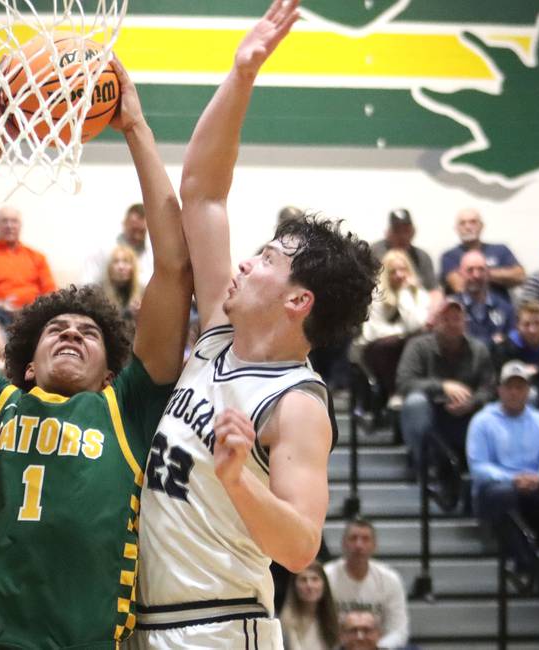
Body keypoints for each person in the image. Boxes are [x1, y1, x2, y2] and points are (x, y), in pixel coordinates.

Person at [132, 3, 380, 647]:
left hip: (218, 626)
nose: (244, 263)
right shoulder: (221, 326)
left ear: (298, 301)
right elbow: (204, 192)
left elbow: (300, 545)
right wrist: (242, 74)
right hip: (149, 622)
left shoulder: (296, 404)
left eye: (266, 260)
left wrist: (239, 479)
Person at [0, 56, 191, 648]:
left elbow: (175, 269)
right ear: (24, 364)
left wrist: (138, 130)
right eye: (56, 330)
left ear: (109, 372)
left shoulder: (126, 410)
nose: (71, 333)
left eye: (89, 332)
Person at [466, 361, 539, 574]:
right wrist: (513, 478)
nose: (514, 393)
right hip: (496, 489)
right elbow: (479, 467)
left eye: (520, 387)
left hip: (535, 484)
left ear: (528, 391)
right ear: (499, 390)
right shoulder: (482, 421)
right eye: (509, 387)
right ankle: (523, 563)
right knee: (504, 494)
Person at [397, 299, 495, 483]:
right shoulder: (418, 346)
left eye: (456, 319)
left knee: (493, 411)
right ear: (434, 323)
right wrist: (443, 386)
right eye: (445, 319)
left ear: (464, 323)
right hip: (431, 413)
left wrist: (472, 402)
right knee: (414, 402)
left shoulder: (479, 350)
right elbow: (404, 383)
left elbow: (489, 388)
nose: (451, 324)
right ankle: (422, 464)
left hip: (468, 415)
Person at [352, 249, 430, 401]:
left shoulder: (418, 294)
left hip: (406, 343)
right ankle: (394, 393)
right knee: (390, 345)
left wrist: (405, 294)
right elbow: (376, 330)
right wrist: (404, 333)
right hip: (377, 348)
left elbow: (418, 324)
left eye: (403, 269)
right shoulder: (377, 295)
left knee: (419, 343)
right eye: (393, 271)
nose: (399, 275)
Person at [324, 520, 409, 649]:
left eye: (365, 539)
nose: (359, 545)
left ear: (374, 546)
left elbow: (399, 630)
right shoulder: (327, 576)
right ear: (343, 544)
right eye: (353, 538)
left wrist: (373, 647)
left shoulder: (390, 579)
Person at [0, 205, 57, 320]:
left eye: (14, 221)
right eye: (4, 221)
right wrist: (2, 305)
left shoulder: (37, 256)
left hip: (34, 314)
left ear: (20, 226)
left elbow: (50, 292)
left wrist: (33, 309)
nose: (9, 226)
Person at [492, 300, 539, 419]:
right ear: (517, 326)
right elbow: (500, 373)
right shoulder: (506, 346)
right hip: (514, 396)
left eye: (538, 323)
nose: (532, 330)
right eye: (526, 324)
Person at [440, 208, 524, 299]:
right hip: (468, 310)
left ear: (481, 226)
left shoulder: (501, 250)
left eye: (473, 222)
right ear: (456, 229)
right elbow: (459, 286)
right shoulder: (449, 256)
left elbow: (520, 276)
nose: (468, 227)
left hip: (501, 309)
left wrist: (482, 273)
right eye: (462, 223)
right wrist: (500, 274)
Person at [81, 203, 153, 288]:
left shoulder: (151, 255)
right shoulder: (103, 250)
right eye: (133, 230)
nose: (137, 236)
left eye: (142, 232)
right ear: (124, 224)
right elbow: (86, 283)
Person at [454, 250, 514, 348]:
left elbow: (511, 345)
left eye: (481, 269)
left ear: (488, 273)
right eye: (470, 270)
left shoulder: (505, 308)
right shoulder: (451, 308)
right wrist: (491, 342)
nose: (476, 275)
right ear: (461, 273)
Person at [370, 209, 439, 296]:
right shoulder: (375, 252)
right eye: (397, 231)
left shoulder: (422, 257)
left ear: (413, 232)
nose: (402, 236)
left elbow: (434, 289)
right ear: (388, 232)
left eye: (406, 230)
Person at [279, 562, 339, 650]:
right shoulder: (285, 623)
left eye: (315, 579)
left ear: (324, 584)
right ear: (294, 586)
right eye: (303, 580)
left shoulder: (333, 620)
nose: (309, 585)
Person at [100, 244, 143, 326]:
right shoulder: (100, 294)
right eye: (116, 262)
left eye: (126, 261)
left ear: (133, 268)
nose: (121, 267)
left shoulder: (143, 292)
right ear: (109, 268)